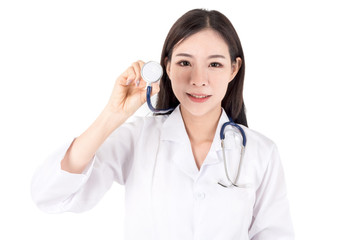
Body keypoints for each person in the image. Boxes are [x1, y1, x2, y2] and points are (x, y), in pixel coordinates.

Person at [31, 9, 294, 240]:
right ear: (166, 67)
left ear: (234, 69)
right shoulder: (138, 138)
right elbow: (50, 194)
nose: (198, 79)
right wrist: (113, 113)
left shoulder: (261, 152)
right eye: (184, 62)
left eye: (214, 64)